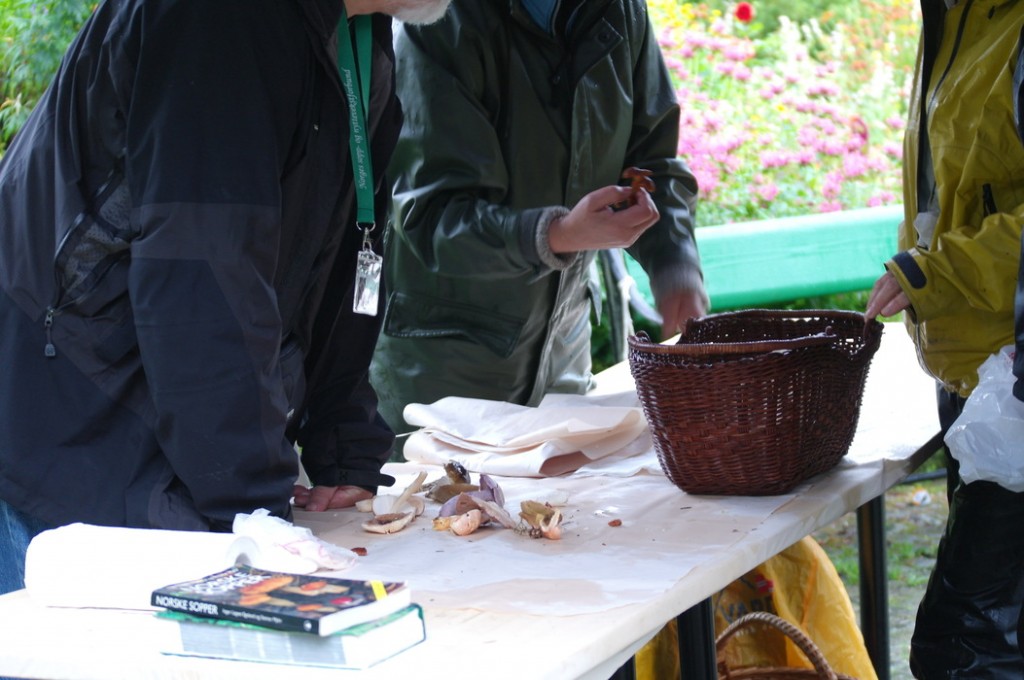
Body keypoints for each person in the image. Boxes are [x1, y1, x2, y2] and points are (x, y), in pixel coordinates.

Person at [0, 0, 453, 596]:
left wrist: (342, 447)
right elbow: (201, 278)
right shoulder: (224, 17)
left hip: (173, 423)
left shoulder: (360, 33)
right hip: (69, 434)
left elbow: (340, 252)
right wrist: (249, 503)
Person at [369, 0, 708, 456]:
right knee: (440, 502)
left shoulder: (622, 10)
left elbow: (653, 163)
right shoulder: (437, 19)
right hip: (443, 378)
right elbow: (430, 218)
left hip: (564, 357)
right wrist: (555, 234)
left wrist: (675, 264)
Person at [865, 0, 1024, 675]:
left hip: (1013, 380)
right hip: (975, 377)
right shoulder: (950, 14)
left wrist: (939, 270)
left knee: (962, 647)